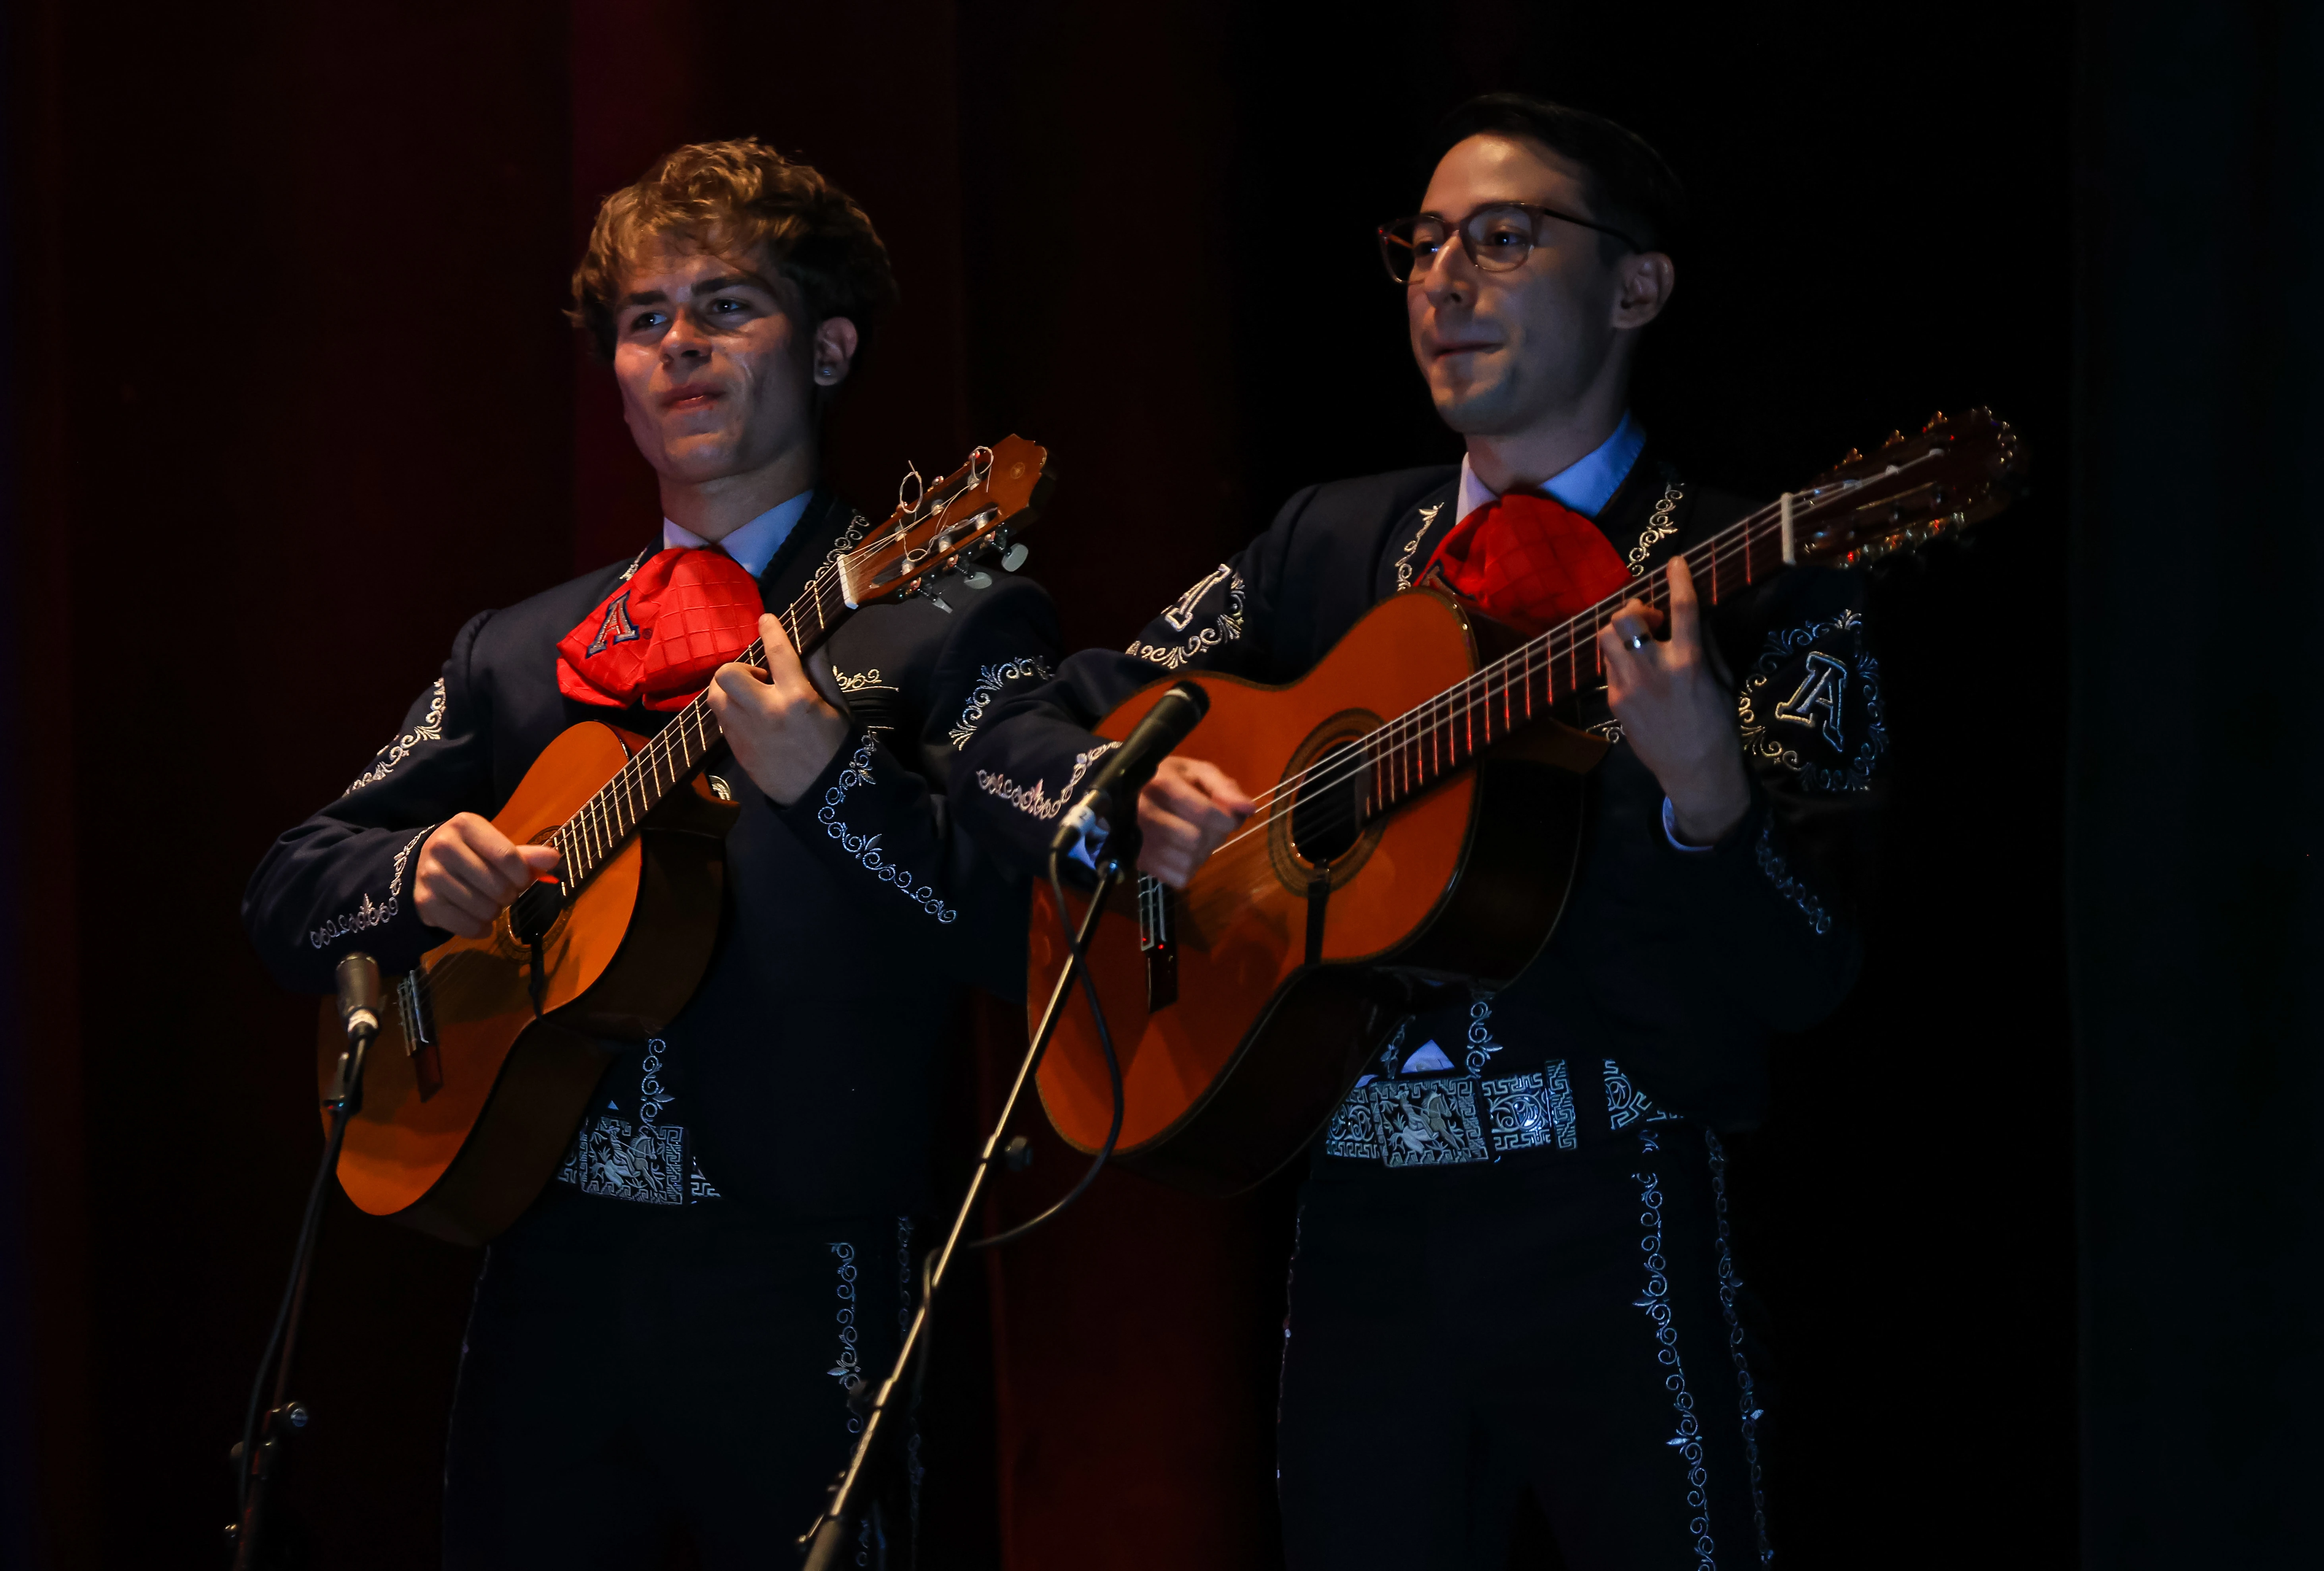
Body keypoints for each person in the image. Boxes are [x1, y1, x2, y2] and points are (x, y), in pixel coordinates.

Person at [952, 95, 1886, 1568]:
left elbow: (1808, 970)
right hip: (1361, 1219)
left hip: (1614, 1211)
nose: (1443, 282)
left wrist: (1710, 794)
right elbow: (1026, 725)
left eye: (1504, 241)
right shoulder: (1329, 543)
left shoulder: (1753, 579)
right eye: (1424, 244)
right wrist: (1115, 793)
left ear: (1637, 287)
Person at [243, 139, 1059, 1567]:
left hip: (810, 1273)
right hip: (548, 1267)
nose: (679, 342)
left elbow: (1026, 937)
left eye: (728, 306)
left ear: (829, 347)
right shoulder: (518, 651)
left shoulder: (944, 614)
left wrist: (834, 788)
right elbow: (284, 892)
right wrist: (416, 870)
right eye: (644, 318)